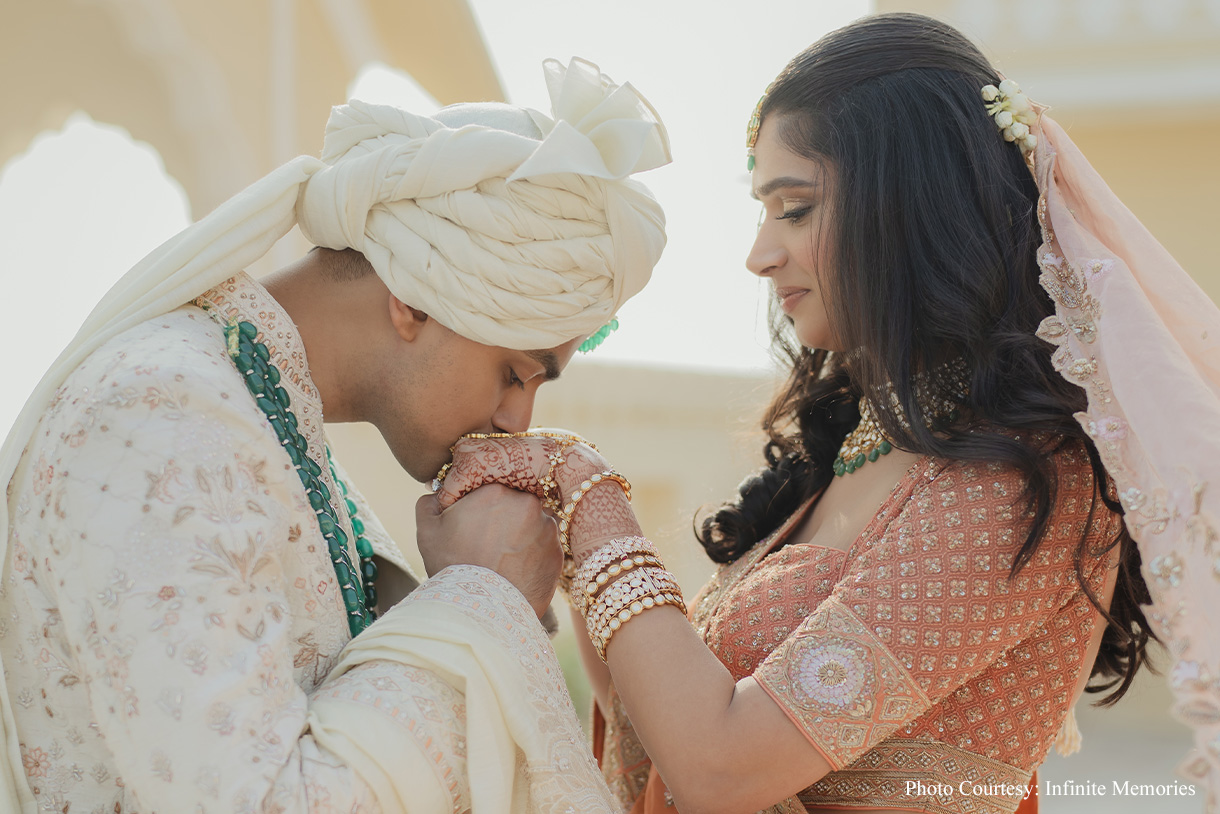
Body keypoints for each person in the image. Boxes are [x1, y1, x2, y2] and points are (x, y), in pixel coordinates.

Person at [431, 13, 1220, 813]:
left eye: (795, 208)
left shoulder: (1023, 478)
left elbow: (722, 769)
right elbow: (661, 726)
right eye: (764, 210)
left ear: (912, 205)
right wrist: (568, 533)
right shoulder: (853, 450)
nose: (759, 253)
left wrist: (589, 492)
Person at [0, 58, 670, 813]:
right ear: (411, 300)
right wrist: (482, 599)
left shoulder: (265, 423)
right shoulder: (160, 413)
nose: (517, 420)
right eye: (516, 373)